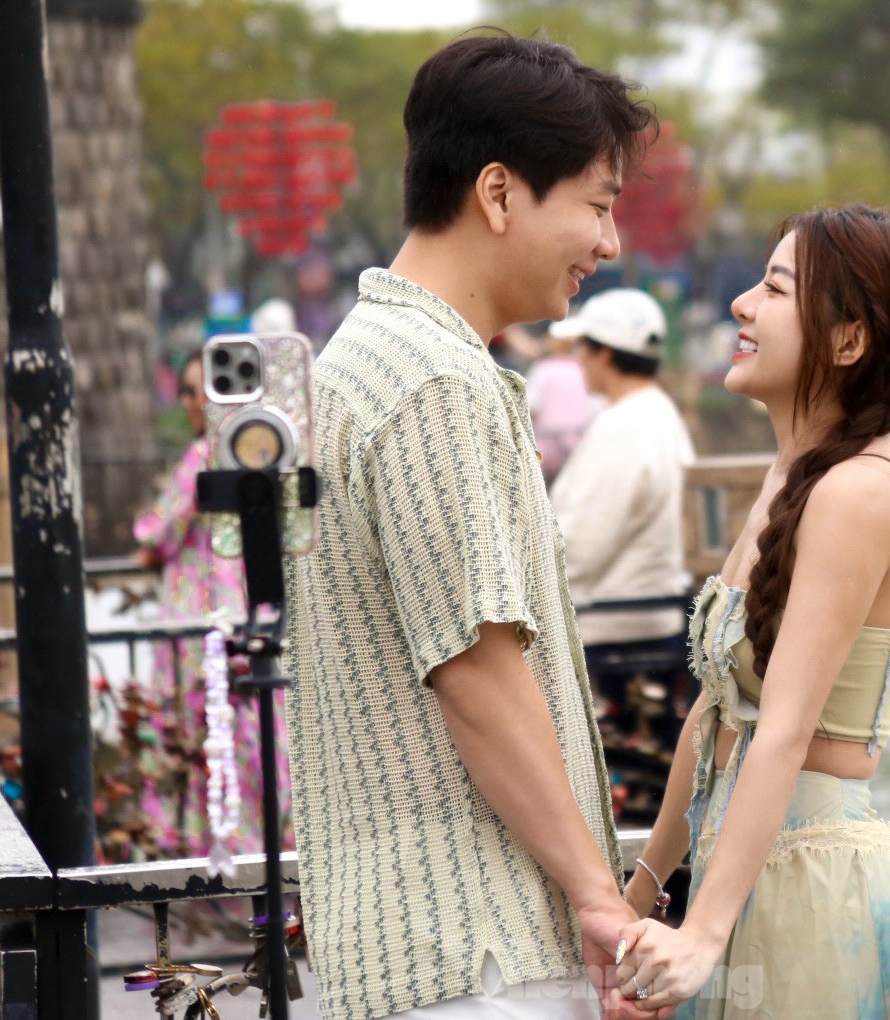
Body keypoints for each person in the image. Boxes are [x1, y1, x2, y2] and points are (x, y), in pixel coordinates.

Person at [283, 32, 659, 1019]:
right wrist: (597, 897)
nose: (609, 244)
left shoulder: (356, 364)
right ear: (498, 193)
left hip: (403, 949)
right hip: (479, 954)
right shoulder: (436, 381)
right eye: (597, 204)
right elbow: (477, 671)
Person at [612, 205, 890, 1019]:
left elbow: (784, 729)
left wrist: (702, 932)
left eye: (774, 287)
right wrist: (644, 894)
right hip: (742, 876)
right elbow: (717, 718)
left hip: (805, 887)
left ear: (847, 341)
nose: (741, 305)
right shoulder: (794, 475)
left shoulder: (859, 489)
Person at [132, 351, 292, 858]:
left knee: (202, 743)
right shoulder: (261, 454)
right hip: (248, 613)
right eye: (184, 391)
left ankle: (211, 856)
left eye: (196, 391)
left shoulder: (203, 457)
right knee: (251, 740)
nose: (188, 403)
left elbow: (154, 534)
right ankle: (265, 853)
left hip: (198, 621)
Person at [549, 289, 695, 742]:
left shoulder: (624, 427)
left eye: (582, 348)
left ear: (605, 354)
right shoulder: (655, 413)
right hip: (652, 610)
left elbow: (578, 550)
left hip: (615, 617)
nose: (578, 360)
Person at [527, 326, 600, 482]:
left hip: (545, 451)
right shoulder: (585, 371)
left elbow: (530, 407)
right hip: (579, 449)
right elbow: (595, 410)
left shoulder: (543, 369)